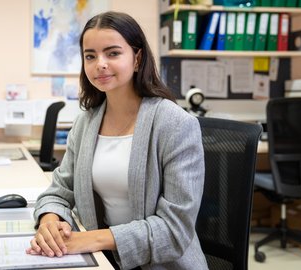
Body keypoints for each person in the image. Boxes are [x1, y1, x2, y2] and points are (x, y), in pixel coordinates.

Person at [26, 11, 208, 270]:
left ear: (137, 58)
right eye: (90, 56)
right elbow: (59, 190)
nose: (100, 63)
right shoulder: (86, 123)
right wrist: (48, 221)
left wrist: (91, 239)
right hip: (103, 260)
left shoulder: (175, 124)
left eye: (112, 53)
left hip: (162, 265)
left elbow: (174, 229)